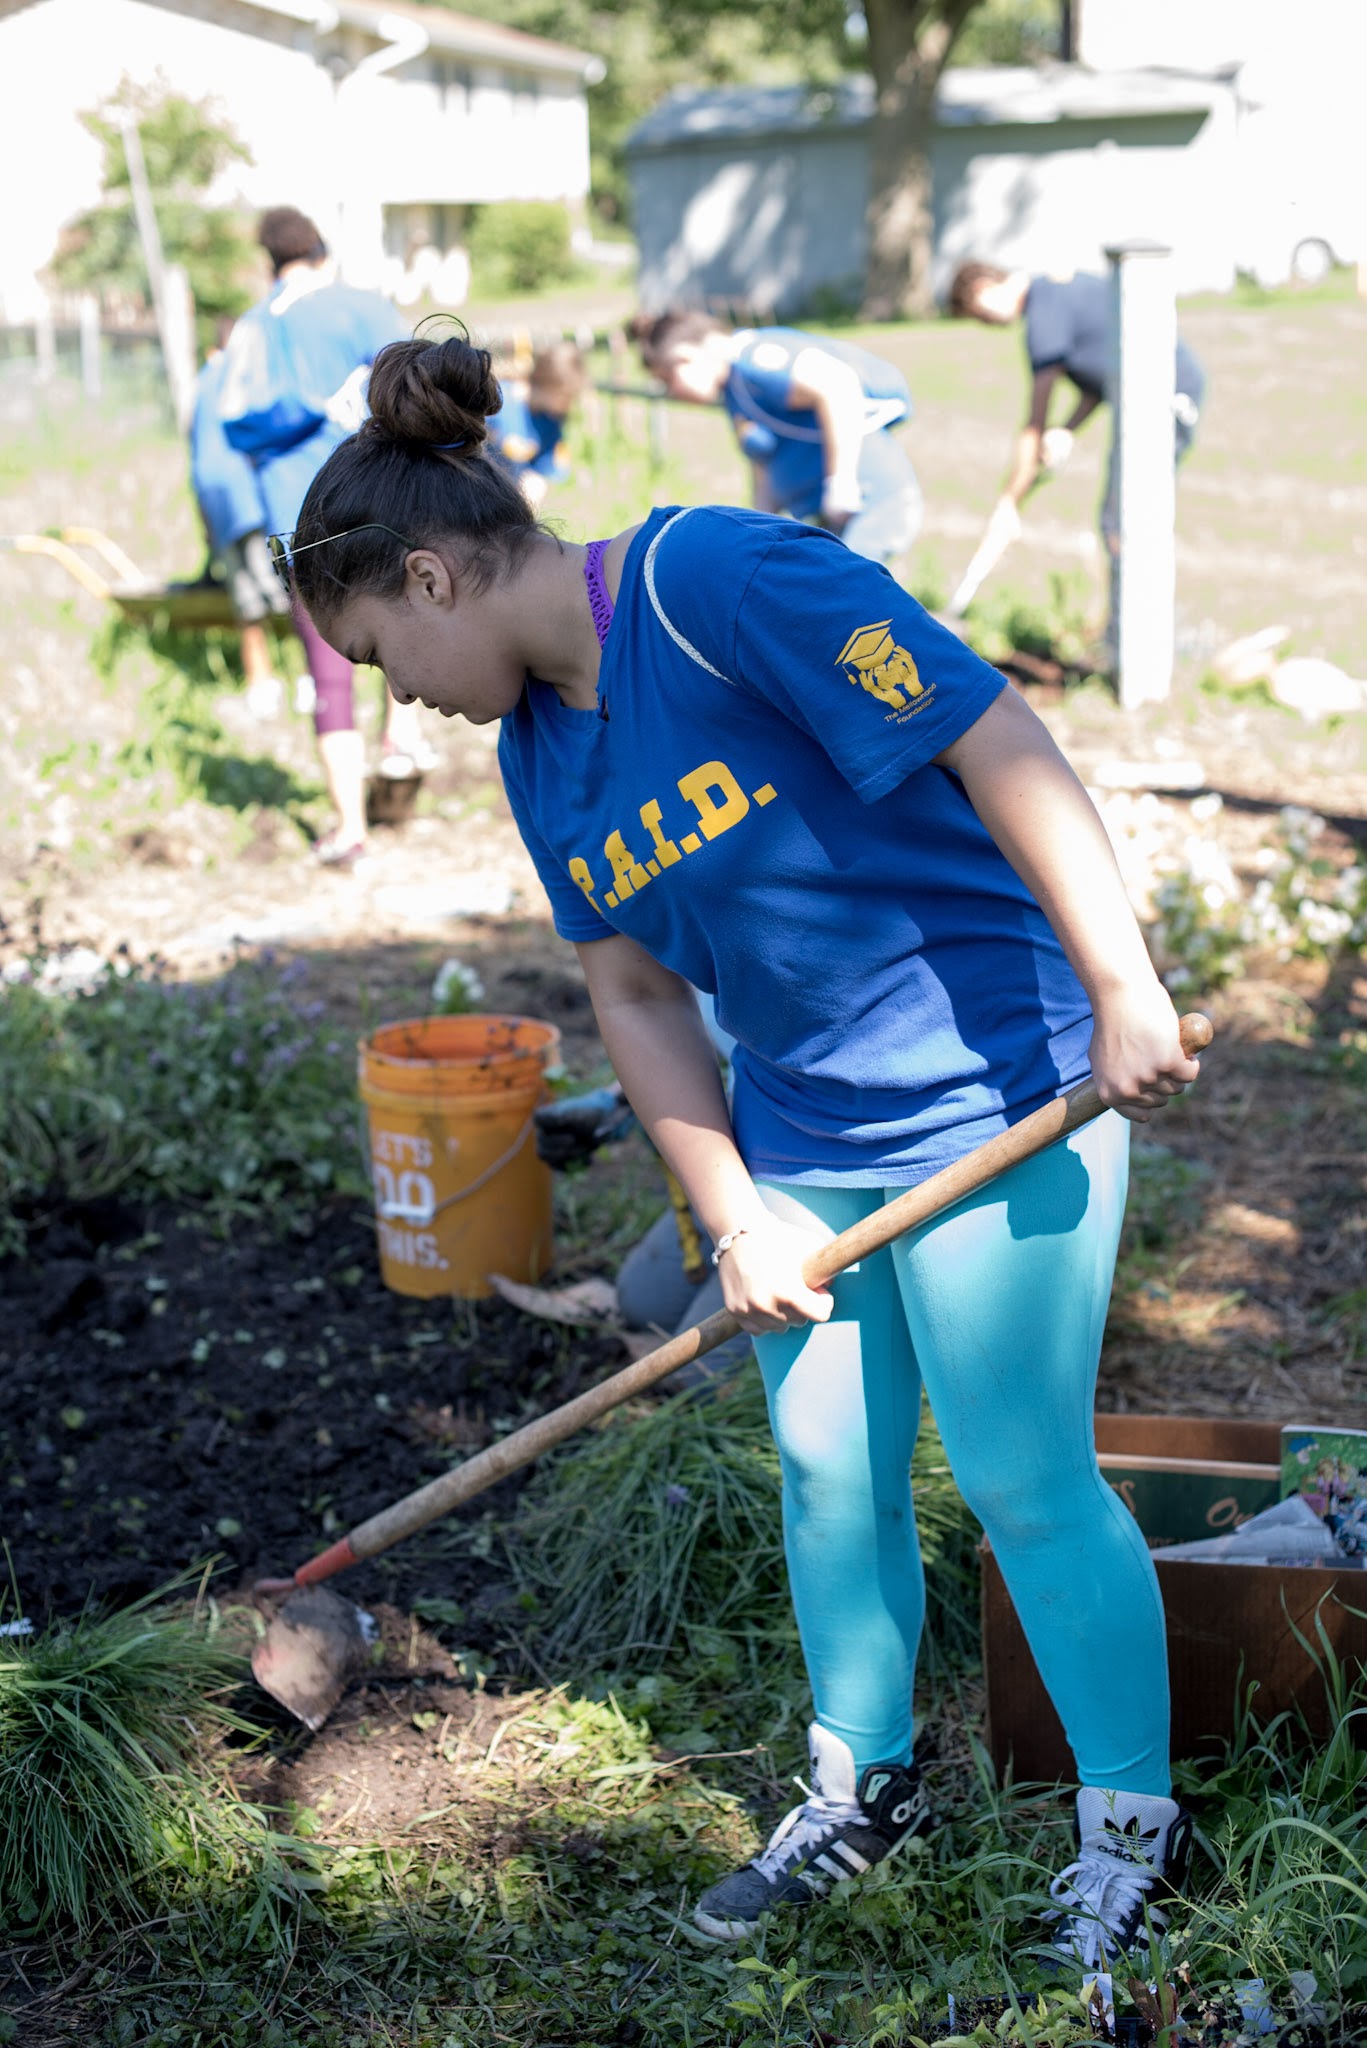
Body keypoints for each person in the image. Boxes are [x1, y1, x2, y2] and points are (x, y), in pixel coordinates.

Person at [286, 332, 1203, 1964]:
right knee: (826, 1467)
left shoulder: (713, 581)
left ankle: (1132, 1819)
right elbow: (634, 992)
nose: (406, 704)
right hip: (799, 1128)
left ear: (429, 577)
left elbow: (993, 737)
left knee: (1015, 1471)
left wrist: (1122, 982)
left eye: (381, 653)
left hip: (996, 1089)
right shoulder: (533, 751)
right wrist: (729, 1217)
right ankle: (862, 1784)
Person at [219, 206, 434, 866]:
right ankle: (400, 735)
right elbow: (417, 382)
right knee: (406, 618)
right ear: (320, 249)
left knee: (326, 669)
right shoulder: (362, 306)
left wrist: (301, 412)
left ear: (269, 261)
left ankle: (349, 829)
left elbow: (235, 424)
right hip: (377, 497)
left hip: (297, 515)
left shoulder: (254, 327)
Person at [947, 263, 1206, 645]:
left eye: (979, 316)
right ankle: (1128, 635)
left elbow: (1034, 422)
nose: (988, 325)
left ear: (984, 288)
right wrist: (1068, 430)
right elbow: (1097, 379)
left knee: (1125, 522)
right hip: (1162, 394)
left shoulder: (1042, 313)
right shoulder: (1054, 294)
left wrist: (1009, 501)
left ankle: (1139, 641)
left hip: (1163, 400)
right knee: (1121, 518)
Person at [642, 311, 921, 565]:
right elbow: (765, 466)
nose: (673, 392)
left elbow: (838, 384)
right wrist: (757, 533)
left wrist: (841, 483)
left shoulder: (754, 359)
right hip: (828, 519)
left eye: (669, 379)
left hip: (869, 502)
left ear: (687, 354)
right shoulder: (735, 392)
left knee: (848, 606)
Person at [186, 326, 291, 716]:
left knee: (245, 597)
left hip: (213, 492)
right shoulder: (245, 373)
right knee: (283, 589)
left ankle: (260, 684)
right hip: (246, 491)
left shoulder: (201, 381)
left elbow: (193, 444)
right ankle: (311, 678)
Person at [488, 340, 587, 512]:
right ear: (552, 385)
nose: (570, 404)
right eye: (568, 396)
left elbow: (546, 467)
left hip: (511, 505)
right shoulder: (499, 402)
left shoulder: (549, 421)